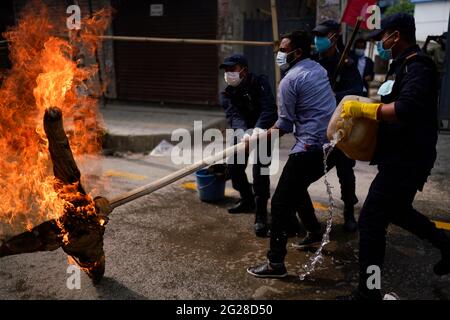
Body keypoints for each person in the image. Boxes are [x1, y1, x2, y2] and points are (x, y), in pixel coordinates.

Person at [337, 13, 450, 300]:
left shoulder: (418, 67)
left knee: (372, 221)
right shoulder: (401, 66)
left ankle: (369, 292)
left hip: (407, 159)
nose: (381, 44)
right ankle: (446, 244)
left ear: (396, 35)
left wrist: (366, 110)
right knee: (398, 211)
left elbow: (404, 110)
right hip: (400, 156)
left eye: (383, 37)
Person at [247, 30, 338, 277]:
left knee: (279, 203)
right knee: (296, 187)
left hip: (310, 148)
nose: (279, 54)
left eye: (283, 50)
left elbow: (284, 125)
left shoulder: (289, 81)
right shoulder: (318, 69)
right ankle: (314, 231)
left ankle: (275, 263)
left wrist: (257, 136)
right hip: (334, 145)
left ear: (297, 52)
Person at [311, 19, 364, 233]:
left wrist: (335, 96)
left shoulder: (347, 63)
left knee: (345, 172)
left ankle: (349, 212)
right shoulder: (314, 61)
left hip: (341, 126)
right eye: (316, 36)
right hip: (317, 125)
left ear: (334, 37)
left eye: (322, 36)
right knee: (307, 168)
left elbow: (357, 92)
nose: (318, 40)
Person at [219, 54, 278, 237]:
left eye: (233, 69)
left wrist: (259, 129)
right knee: (234, 168)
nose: (229, 74)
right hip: (242, 133)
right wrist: (244, 132)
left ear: (244, 70)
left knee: (260, 173)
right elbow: (234, 116)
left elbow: (269, 108)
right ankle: (247, 199)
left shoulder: (260, 82)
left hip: (264, 132)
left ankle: (261, 215)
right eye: (226, 70)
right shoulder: (227, 93)